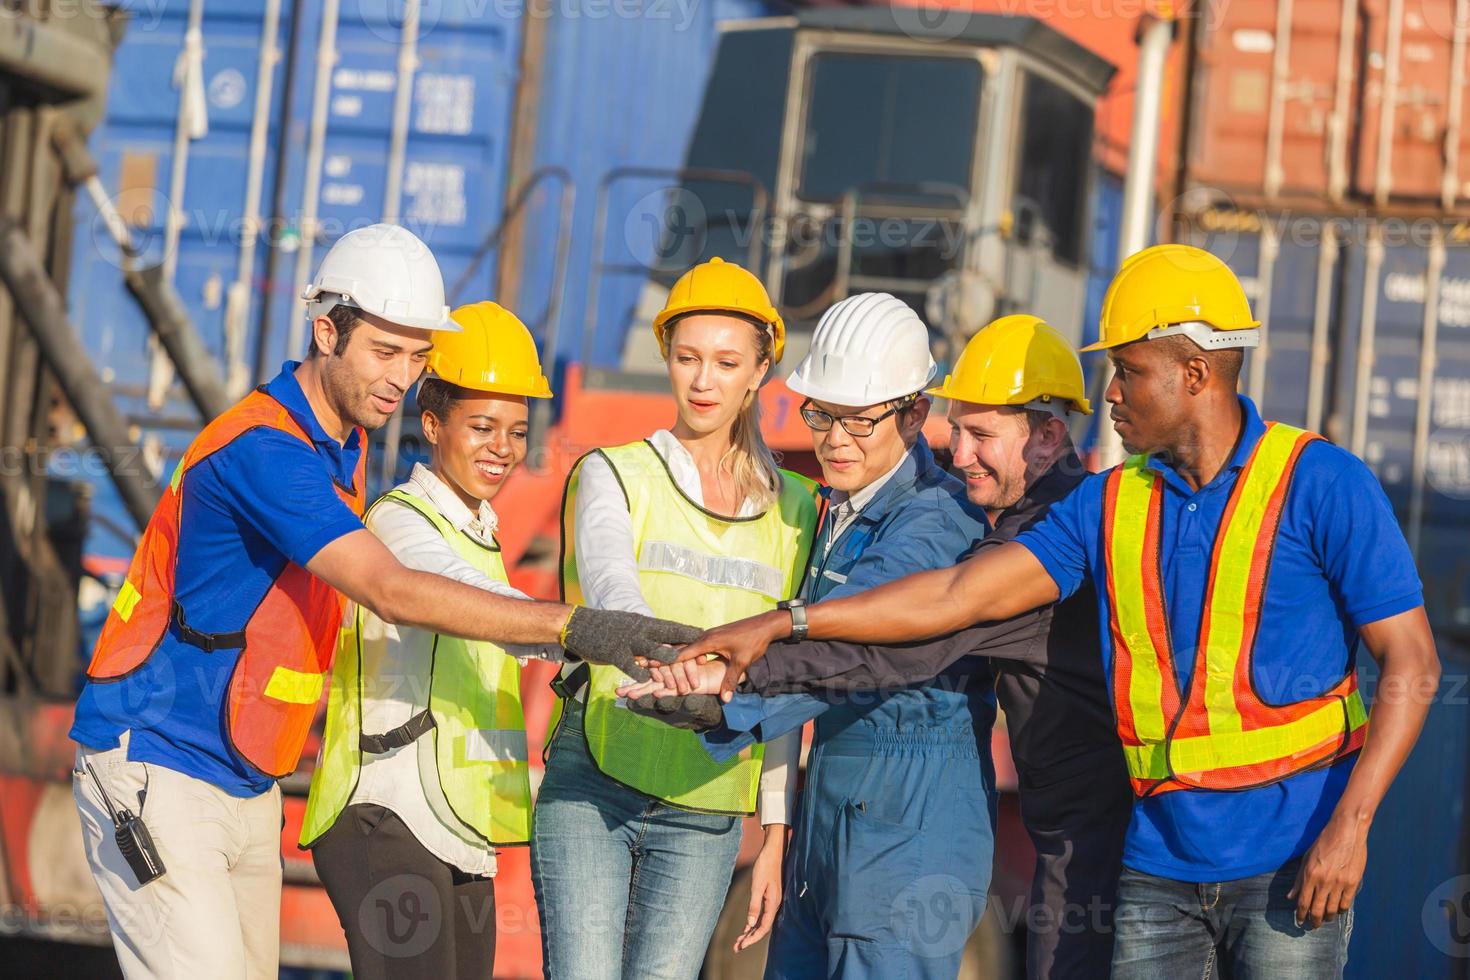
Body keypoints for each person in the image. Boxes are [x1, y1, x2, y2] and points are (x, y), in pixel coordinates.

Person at [674, 244, 1441, 979]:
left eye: (1128, 371)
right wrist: (784, 623)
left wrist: (1352, 825)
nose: (1109, 392)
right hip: (1156, 861)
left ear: (1195, 372)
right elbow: (954, 596)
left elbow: (1413, 664)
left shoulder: (1322, 483)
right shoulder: (1110, 505)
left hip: (1275, 854)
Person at [68, 223, 693, 980]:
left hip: (242, 779)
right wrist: (578, 627)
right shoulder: (267, 451)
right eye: (384, 352)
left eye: (418, 355)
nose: (403, 376)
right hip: (157, 766)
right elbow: (391, 589)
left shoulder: (341, 443)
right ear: (325, 332)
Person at [633, 315, 1130, 979]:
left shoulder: (1026, 545)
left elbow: (893, 649)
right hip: (855, 820)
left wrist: (731, 686)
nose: (960, 453)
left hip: (957, 827)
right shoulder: (876, 513)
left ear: (1047, 436)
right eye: (957, 432)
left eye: (981, 435)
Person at [529, 257, 820, 980]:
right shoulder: (612, 473)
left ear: (760, 372)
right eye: (687, 358)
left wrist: (775, 837)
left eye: (726, 362)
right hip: (596, 776)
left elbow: (783, 685)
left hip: (708, 803)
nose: (702, 380)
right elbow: (612, 593)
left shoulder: (797, 509)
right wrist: (695, 673)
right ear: (665, 356)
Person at [300, 301, 560, 978]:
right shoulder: (399, 522)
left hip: (463, 831)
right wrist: (572, 630)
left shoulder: (484, 539)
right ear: (432, 424)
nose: (501, 448)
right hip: (385, 816)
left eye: (516, 431)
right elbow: (433, 583)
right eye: (481, 427)